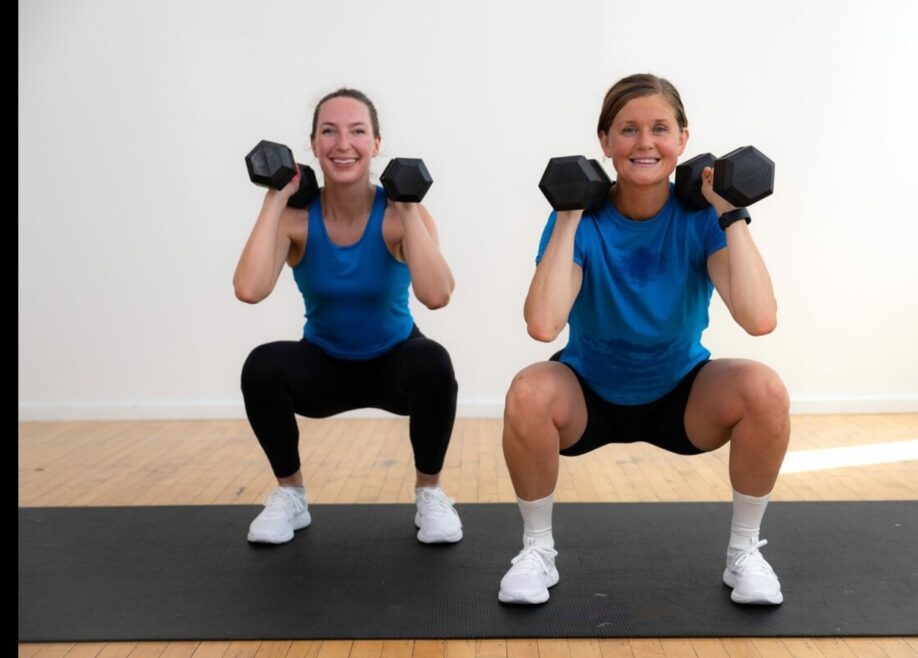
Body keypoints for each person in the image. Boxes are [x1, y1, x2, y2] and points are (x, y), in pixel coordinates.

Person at [498, 73, 790, 605]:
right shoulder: (580, 222)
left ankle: (745, 553)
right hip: (589, 394)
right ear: (605, 142)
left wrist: (731, 212)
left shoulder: (704, 220)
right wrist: (567, 218)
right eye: (628, 130)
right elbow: (543, 325)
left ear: (683, 139)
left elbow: (759, 318)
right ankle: (537, 551)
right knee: (527, 390)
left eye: (660, 128)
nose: (645, 142)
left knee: (764, 388)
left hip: (682, 396)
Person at [234, 88, 462, 546]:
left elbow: (437, 296)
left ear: (376, 144)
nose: (343, 144)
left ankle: (430, 494)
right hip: (324, 366)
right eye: (329, 132)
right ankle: (291, 496)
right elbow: (249, 289)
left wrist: (409, 209)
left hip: (395, 361)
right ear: (313, 145)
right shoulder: (296, 222)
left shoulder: (400, 217)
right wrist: (275, 199)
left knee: (434, 363)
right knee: (261, 367)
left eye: (358, 132)